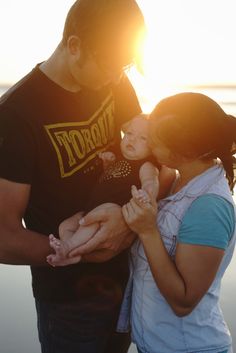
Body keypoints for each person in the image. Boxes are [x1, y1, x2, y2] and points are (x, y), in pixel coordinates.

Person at [0, 1, 147, 352]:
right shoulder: (16, 116)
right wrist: (81, 248)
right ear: (75, 45)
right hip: (69, 303)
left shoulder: (116, 81)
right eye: (110, 65)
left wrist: (124, 225)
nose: (116, 76)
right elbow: (3, 236)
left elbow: (148, 153)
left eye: (123, 65)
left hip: (129, 280)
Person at [119, 92, 236, 353]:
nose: (148, 146)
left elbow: (183, 302)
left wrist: (148, 232)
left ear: (183, 151)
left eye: (154, 140)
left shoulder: (209, 207)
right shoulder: (178, 180)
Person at [46, 114, 163, 267]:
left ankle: (67, 248)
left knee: (91, 222)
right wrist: (107, 164)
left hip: (110, 213)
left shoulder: (146, 165)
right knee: (66, 225)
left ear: (153, 147)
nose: (132, 139)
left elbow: (151, 181)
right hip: (91, 209)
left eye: (142, 138)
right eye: (129, 133)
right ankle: (73, 253)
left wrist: (146, 194)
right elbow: (112, 178)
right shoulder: (119, 158)